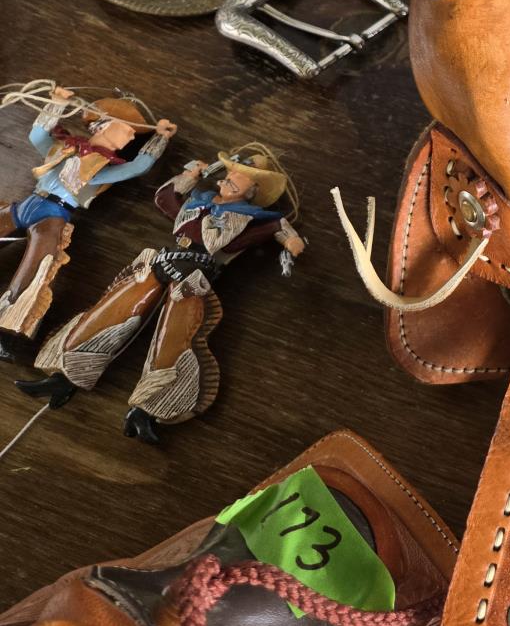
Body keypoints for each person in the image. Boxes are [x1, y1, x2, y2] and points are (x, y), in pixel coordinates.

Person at [16, 146, 306, 444]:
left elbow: (277, 226)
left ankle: (149, 410)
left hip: (195, 277)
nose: (229, 178)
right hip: (162, 262)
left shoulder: (251, 218)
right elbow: (165, 199)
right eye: (231, 172)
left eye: (240, 177)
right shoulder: (200, 200)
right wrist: (189, 176)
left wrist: (290, 240)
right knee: (110, 312)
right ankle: (63, 376)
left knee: (175, 338)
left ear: (253, 190)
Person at [0, 85, 175, 355]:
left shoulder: (102, 170)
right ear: (102, 125)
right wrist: (57, 103)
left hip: (53, 216)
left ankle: (7, 328)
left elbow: (138, 166)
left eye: (132, 134)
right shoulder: (64, 148)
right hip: (26, 204)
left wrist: (160, 138)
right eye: (126, 130)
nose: (130, 137)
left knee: (35, 271)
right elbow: (37, 135)